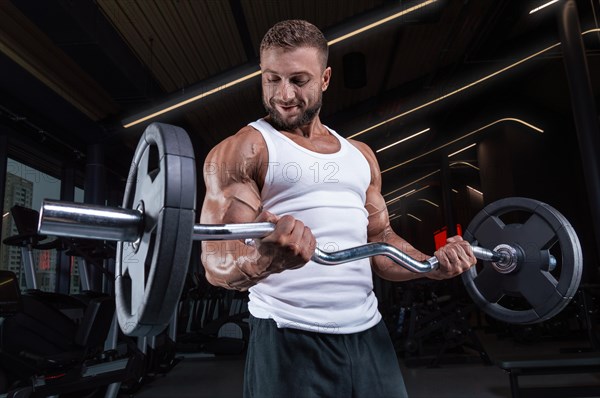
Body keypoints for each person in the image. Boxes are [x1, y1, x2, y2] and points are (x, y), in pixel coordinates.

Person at [200, 19, 476, 398]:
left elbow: (380, 243)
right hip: (288, 335)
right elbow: (216, 262)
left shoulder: (360, 155)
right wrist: (265, 260)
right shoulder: (245, 150)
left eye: (299, 80)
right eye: (271, 79)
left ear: (325, 78)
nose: (284, 94)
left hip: (368, 334)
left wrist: (429, 266)